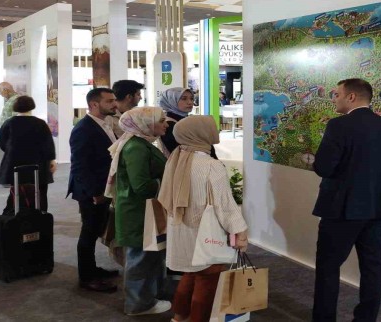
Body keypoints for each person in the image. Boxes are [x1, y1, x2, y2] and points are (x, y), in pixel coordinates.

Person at [311, 78, 381, 322]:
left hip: (342, 209)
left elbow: (323, 167)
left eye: (337, 94)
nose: (334, 99)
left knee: (328, 268)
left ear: (351, 97)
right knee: (373, 268)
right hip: (380, 208)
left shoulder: (338, 126)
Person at [159, 116, 248, 322]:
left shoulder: (176, 158)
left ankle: (179, 317)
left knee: (190, 274)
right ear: (200, 133)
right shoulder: (210, 165)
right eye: (211, 127)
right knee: (208, 279)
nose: (215, 130)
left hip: (181, 229)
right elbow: (224, 205)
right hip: (205, 232)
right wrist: (240, 232)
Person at [105, 106, 172, 316]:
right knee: (139, 258)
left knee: (147, 256)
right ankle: (138, 304)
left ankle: (147, 297)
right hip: (138, 211)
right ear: (146, 124)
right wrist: (165, 181)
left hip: (143, 210)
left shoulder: (141, 143)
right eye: (161, 120)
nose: (166, 124)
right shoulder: (136, 147)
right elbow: (141, 186)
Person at [67, 87, 120, 293]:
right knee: (89, 233)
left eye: (114, 100)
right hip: (92, 192)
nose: (114, 104)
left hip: (103, 189)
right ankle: (87, 277)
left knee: (96, 229)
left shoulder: (105, 124)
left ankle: (92, 269)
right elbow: (79, 166)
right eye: (109, 101)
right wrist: (94, 193)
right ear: (94, 104)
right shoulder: (83, 129)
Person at [0, 96, 56, 214]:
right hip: (38, 162)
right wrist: (52, 160)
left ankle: (17, 212)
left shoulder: (9, 123)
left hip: (15, 162)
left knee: (17, 188)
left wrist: (10, 151)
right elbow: (47, 143)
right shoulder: (40, 123)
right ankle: (41, 213)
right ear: (32, 106)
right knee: (40, 189)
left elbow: (3, 141)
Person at [157, 88, 197, 156]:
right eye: (184, 99)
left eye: (192, 98)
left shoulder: (185, 120)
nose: (190, 102)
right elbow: (181, 153)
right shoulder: (169, 124)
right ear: (171, 101)